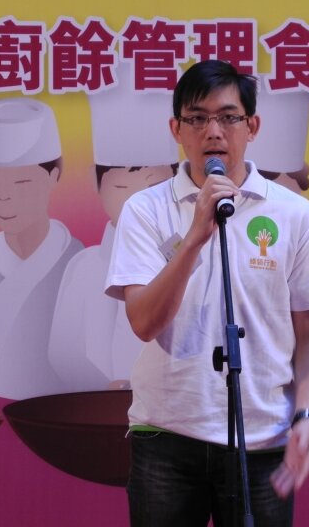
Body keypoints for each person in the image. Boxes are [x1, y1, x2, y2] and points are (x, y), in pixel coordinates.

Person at [105, 60, 309, 526]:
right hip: (167, 437)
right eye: (197, 118)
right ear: (176, 129)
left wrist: (307, 415)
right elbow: (144, 322)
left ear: (252, 127)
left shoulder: (294, 215)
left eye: (228, 117)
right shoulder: (145, 210)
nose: (213, 131)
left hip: (262, 439)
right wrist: (196, 235)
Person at [49, 64, 179, 391]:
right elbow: (62, 351)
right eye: (122, 188)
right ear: (97, 184)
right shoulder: (83, 266)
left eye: (153, 188)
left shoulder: (189, 257)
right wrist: (107, 389)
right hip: (101, 407)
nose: (138, 204)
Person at [0, 97, 84, 400]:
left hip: (56, 407)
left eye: (21, 183)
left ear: (54, 175)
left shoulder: (77, 261)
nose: (3, 197)